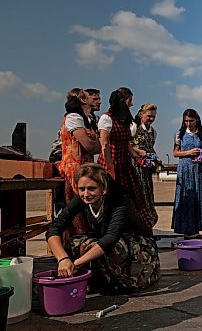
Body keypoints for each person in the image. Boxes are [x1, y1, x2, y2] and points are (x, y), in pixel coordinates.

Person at [46, 163, 160, 294]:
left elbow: (111, 239)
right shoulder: (80, 200)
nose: (86, 194)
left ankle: (121, 281)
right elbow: (54, 228)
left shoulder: (121, 201)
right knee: (76, 243)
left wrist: (75, 264)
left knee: (110, 246)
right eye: (81, 189)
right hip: (108, 242)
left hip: (138, 247)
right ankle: (96, 278)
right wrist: (63, 259)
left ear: (103, 189)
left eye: (92, 189)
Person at [97, 87, 155, 229]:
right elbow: (104, 144)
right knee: (112, 198)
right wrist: (110, 169)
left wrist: (136, 156)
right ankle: (110, 229)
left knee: (132, 198)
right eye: (130, 100)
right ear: (123, 101)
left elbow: (126, 143)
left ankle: (131, 229)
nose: (132, 104)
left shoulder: (122, 120)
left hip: (124, 165)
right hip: (111, 164)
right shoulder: (106, 119)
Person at [58, 88, 101, 234]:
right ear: (83, 100)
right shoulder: (73, 118)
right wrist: (99, 145)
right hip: (74, 167)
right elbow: (89, 146)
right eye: (94, 98)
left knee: (88, 205)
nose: (99, 101)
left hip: (86, 167)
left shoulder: (89, 119)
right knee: (77, 208)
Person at [172, 109, 202, 239]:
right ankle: (186, 230)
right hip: (184, 169)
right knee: (185, 198)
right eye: (186, 121)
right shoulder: (179, 134)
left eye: (191, 121)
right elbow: (175, 153)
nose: (188, 123)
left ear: (197, 120)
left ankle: (196, 229)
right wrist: (189, 153)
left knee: (198, 198)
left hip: (198, 170)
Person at [130, 103, 160, 226]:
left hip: (146, 168)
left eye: (153, 116)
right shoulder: (133, 127)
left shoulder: (153, 132)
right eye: (149, 116)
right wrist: (138, 152)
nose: (151, 119)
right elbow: (126, 144)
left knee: (147, 195)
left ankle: (147, 224)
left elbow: (150, 148)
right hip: (134, 166)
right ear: (141, 114)